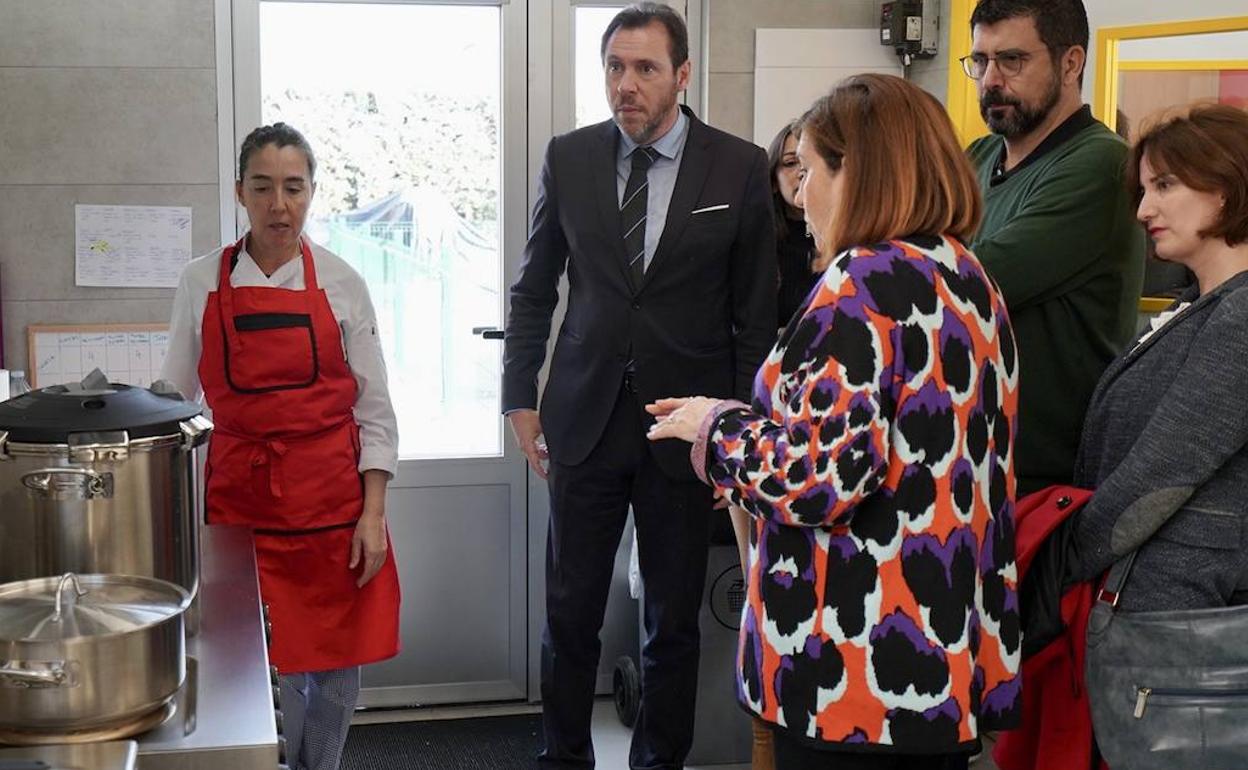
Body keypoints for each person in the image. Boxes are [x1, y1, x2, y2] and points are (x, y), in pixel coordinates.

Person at [648, 73, 1022, 770]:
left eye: (811, 168)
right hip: (944, 655)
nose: (797, 193)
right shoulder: (968, 277)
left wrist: (712, 429)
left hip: (855, 668)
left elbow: (817, 479)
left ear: (861, 174)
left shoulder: (860, 284)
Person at [501, 2, 777, 766]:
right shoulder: (570, 157)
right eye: (615, 67)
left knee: (673, 623)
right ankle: (563, 758)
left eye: (645, 68)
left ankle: (659, 762)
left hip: (685, 430)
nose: (626, 84)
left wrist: (744, 440)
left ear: (682, 75)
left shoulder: (740, 166)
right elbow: (533, 290)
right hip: (582, 418)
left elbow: (755, 319)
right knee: (569, 614)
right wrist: (519, 395)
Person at [161, 123, 401, 770]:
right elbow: (174, 402)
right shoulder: (199, 282)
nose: (279, 205)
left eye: (293, 188)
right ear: (240, 192)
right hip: (238, 511)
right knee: (245, 668)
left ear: (312, 194)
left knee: (334, 667)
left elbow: (374, 410)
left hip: (333, 507)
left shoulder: (345, 283)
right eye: (263, 188)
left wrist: (372, 516)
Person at [1068, 103, 1248, 615]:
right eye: (1144, 190)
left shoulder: (1240, 315)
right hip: (1152, 601)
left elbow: (1162, 471)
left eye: (1164, 186)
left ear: (1227, 186)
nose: (1144, 210)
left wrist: (1063, 558)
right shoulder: (1195, 304)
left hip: (1182, 622)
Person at [962, 0, 1145, 495]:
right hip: (969, 456)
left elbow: (967, 282)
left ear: (1071, 62)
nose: (990, 80)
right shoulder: (979, 156)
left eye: (1013, 60)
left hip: (1044, 481)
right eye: (980, 61)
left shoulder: (1101, 164)